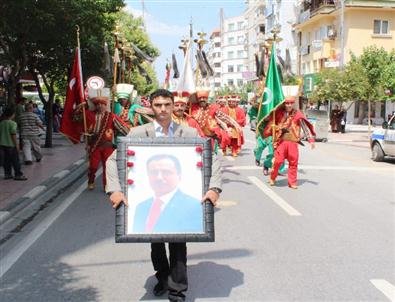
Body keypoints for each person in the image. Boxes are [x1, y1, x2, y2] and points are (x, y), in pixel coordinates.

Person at [106, 89, 222, 302]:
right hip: (149, 200)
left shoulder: (189, 134)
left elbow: (213, 158)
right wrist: (115, 190)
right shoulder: (137, 133)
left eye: (167, 105)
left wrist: (214, 188)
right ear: (152, 107)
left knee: (179, 246)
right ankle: (162, 278)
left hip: (180, 201)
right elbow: (112, 161)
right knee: (155, 244)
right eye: (158, 105)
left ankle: (177, 291)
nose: (163, 109)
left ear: (173, 105)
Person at [133, 154, 202, 233]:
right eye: (154, 172)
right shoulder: (141, 207)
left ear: (179, 176)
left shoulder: (193, 206)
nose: (159, 177)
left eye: (166, 172)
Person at [73, 96, 129, 190]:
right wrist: (81, 107)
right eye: (97, 104)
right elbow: (75, 118)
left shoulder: (111, 116)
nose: (100, 106)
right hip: (95, 145)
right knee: (93, 166)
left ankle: (106, 185)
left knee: (108, 167)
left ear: (105, 105)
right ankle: (91, 181)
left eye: (102, 104)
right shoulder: (88, 114)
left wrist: (132, 135)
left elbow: (123, 128)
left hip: (108, 146)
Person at [264, 96, 315, 189]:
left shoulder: (297, 114)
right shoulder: (278, 113)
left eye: (291, 103)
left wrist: (310, 140)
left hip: (293, 142)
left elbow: (304, 127)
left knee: (293, 162)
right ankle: (273, 177)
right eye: (287, 103)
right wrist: (272, 119)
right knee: (278, 161)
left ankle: (292, 182)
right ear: (284, 104)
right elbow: (268, 121)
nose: (289, 105)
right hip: (281, 141)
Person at [0, 107, 27, 180]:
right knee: (15, 160)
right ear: (12, 115)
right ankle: (18, 175)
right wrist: (17, 145)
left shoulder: (1, 123)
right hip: (11, 145)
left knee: (6, 161)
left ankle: (7, 174)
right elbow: (13, 135)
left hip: (2, 145)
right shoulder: (13, 123)